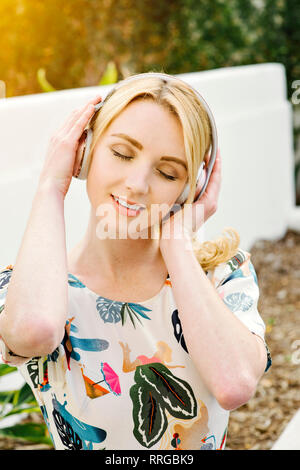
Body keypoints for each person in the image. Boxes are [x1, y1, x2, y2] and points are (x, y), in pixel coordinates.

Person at [0, 72, 271, 450]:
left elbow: (234, 384)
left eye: (167, 172)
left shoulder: (222, 275)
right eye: (122, 153)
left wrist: (176, 243)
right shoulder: (29, 288)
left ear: (191, 187)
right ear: (84, 152)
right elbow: (33, 332)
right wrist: (50, 186)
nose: (138, 183)